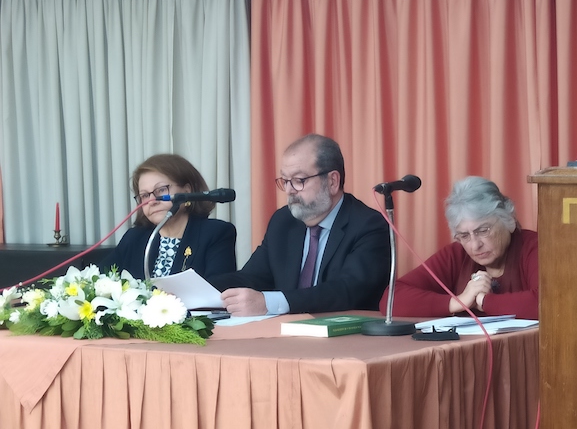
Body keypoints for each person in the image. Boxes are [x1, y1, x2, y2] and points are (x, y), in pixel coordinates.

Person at [210, 134, 390, 316]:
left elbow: (347, 291)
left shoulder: (369, 225)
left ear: (332, 181)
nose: (289, 190)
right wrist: (201, 288)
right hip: (283, 330)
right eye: (285, 181)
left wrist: (270, 303)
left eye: (299, 180)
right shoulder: (283, 221)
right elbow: (252, 277)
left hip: (345, 330)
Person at [384, 176, 539, 320]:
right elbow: (390, 299)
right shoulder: (456, 254)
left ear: (509, 220)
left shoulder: (535, 247)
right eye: (464, 235)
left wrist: (484, 301)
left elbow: (544, 302)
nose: (475, 245)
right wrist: (459, 302)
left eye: (483, 231)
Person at [102, 153, 237, 280]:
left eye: (161, 190)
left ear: (187, 191)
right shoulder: (134, 237)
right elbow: (99, 280)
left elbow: (218, 289)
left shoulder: (216, 233)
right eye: (145, 195)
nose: (152, 201)